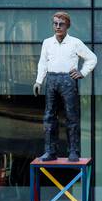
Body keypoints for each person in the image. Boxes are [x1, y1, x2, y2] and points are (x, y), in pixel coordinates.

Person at [34, 11, 97, 161]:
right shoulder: (47, 42)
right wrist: (39, 81)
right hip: (51, 79)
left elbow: (92, 58)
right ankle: (50, 151)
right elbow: (42, 63)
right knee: (49, 116)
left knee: (72, 117)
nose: (57, 26)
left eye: (61, 24)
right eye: (55, 23)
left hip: (68, 80)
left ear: (67, 25)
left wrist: (82, 72)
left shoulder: (75, 42)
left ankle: (73, 151)